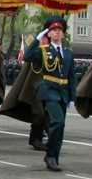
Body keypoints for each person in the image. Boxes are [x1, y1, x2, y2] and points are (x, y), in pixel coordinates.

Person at [23, 16, 76, 171]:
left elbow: (71, 76)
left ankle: (53, 157)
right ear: (49, 34)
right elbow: (27, 57)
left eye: (60, 30)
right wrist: (38, 38)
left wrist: (72, 97)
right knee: (57, 122)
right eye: (54, 30)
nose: (57, 33)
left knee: (61, 126)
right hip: (49, 91)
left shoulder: (68, 53)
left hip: (63, 92)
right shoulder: (44, 51)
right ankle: (50, 152)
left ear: (63, 34)